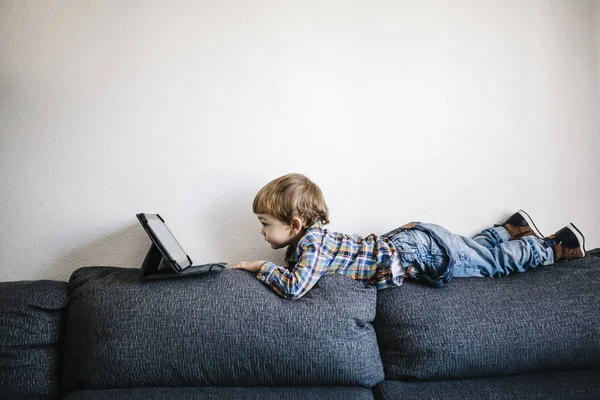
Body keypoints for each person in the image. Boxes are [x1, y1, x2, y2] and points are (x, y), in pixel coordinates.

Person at [232, 173, 586, 300]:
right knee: (468, 248)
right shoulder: (312, 241)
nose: (261, 232)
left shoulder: (311, 245)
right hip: (414, 241)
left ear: (294, 224)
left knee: (489, 265)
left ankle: (554, 245)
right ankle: (510, 228)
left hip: (420, 253)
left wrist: (259, 267)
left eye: (265, 224)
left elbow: (295, 287)